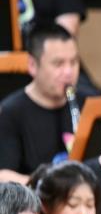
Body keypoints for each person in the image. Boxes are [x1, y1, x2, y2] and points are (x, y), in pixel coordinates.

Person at [0, 24, 86, 184]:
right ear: (33, 65)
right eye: (58, 64)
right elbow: (3, 175)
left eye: (74, 62)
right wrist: (50, 189)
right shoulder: (10, 112)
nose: (69, 72)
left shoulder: (87, 104)